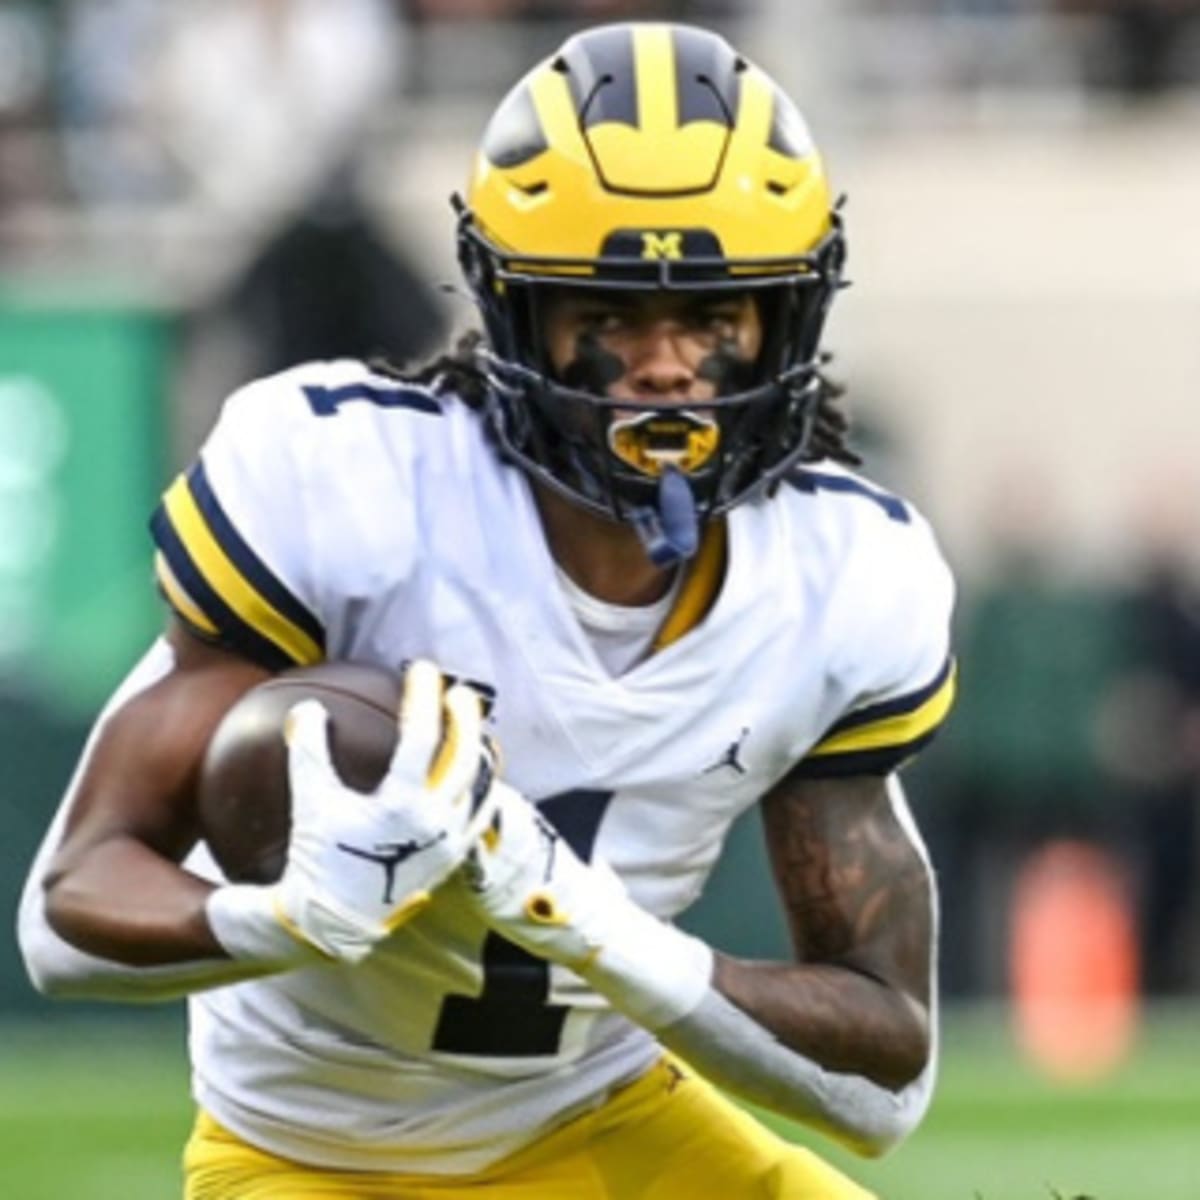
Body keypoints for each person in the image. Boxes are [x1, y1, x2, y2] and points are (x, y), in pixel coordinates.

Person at [18, 21, 956, 1200]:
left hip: (611, 1115)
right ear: (517, 313)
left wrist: (592, 929)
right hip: (315, 1156)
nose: (668, 366)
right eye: (609, 317)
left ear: (787, 317)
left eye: (716, 316)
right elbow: (64, 916)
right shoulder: (353, 484)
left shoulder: (844, 568)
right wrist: (293, 915)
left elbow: (879, 1088)